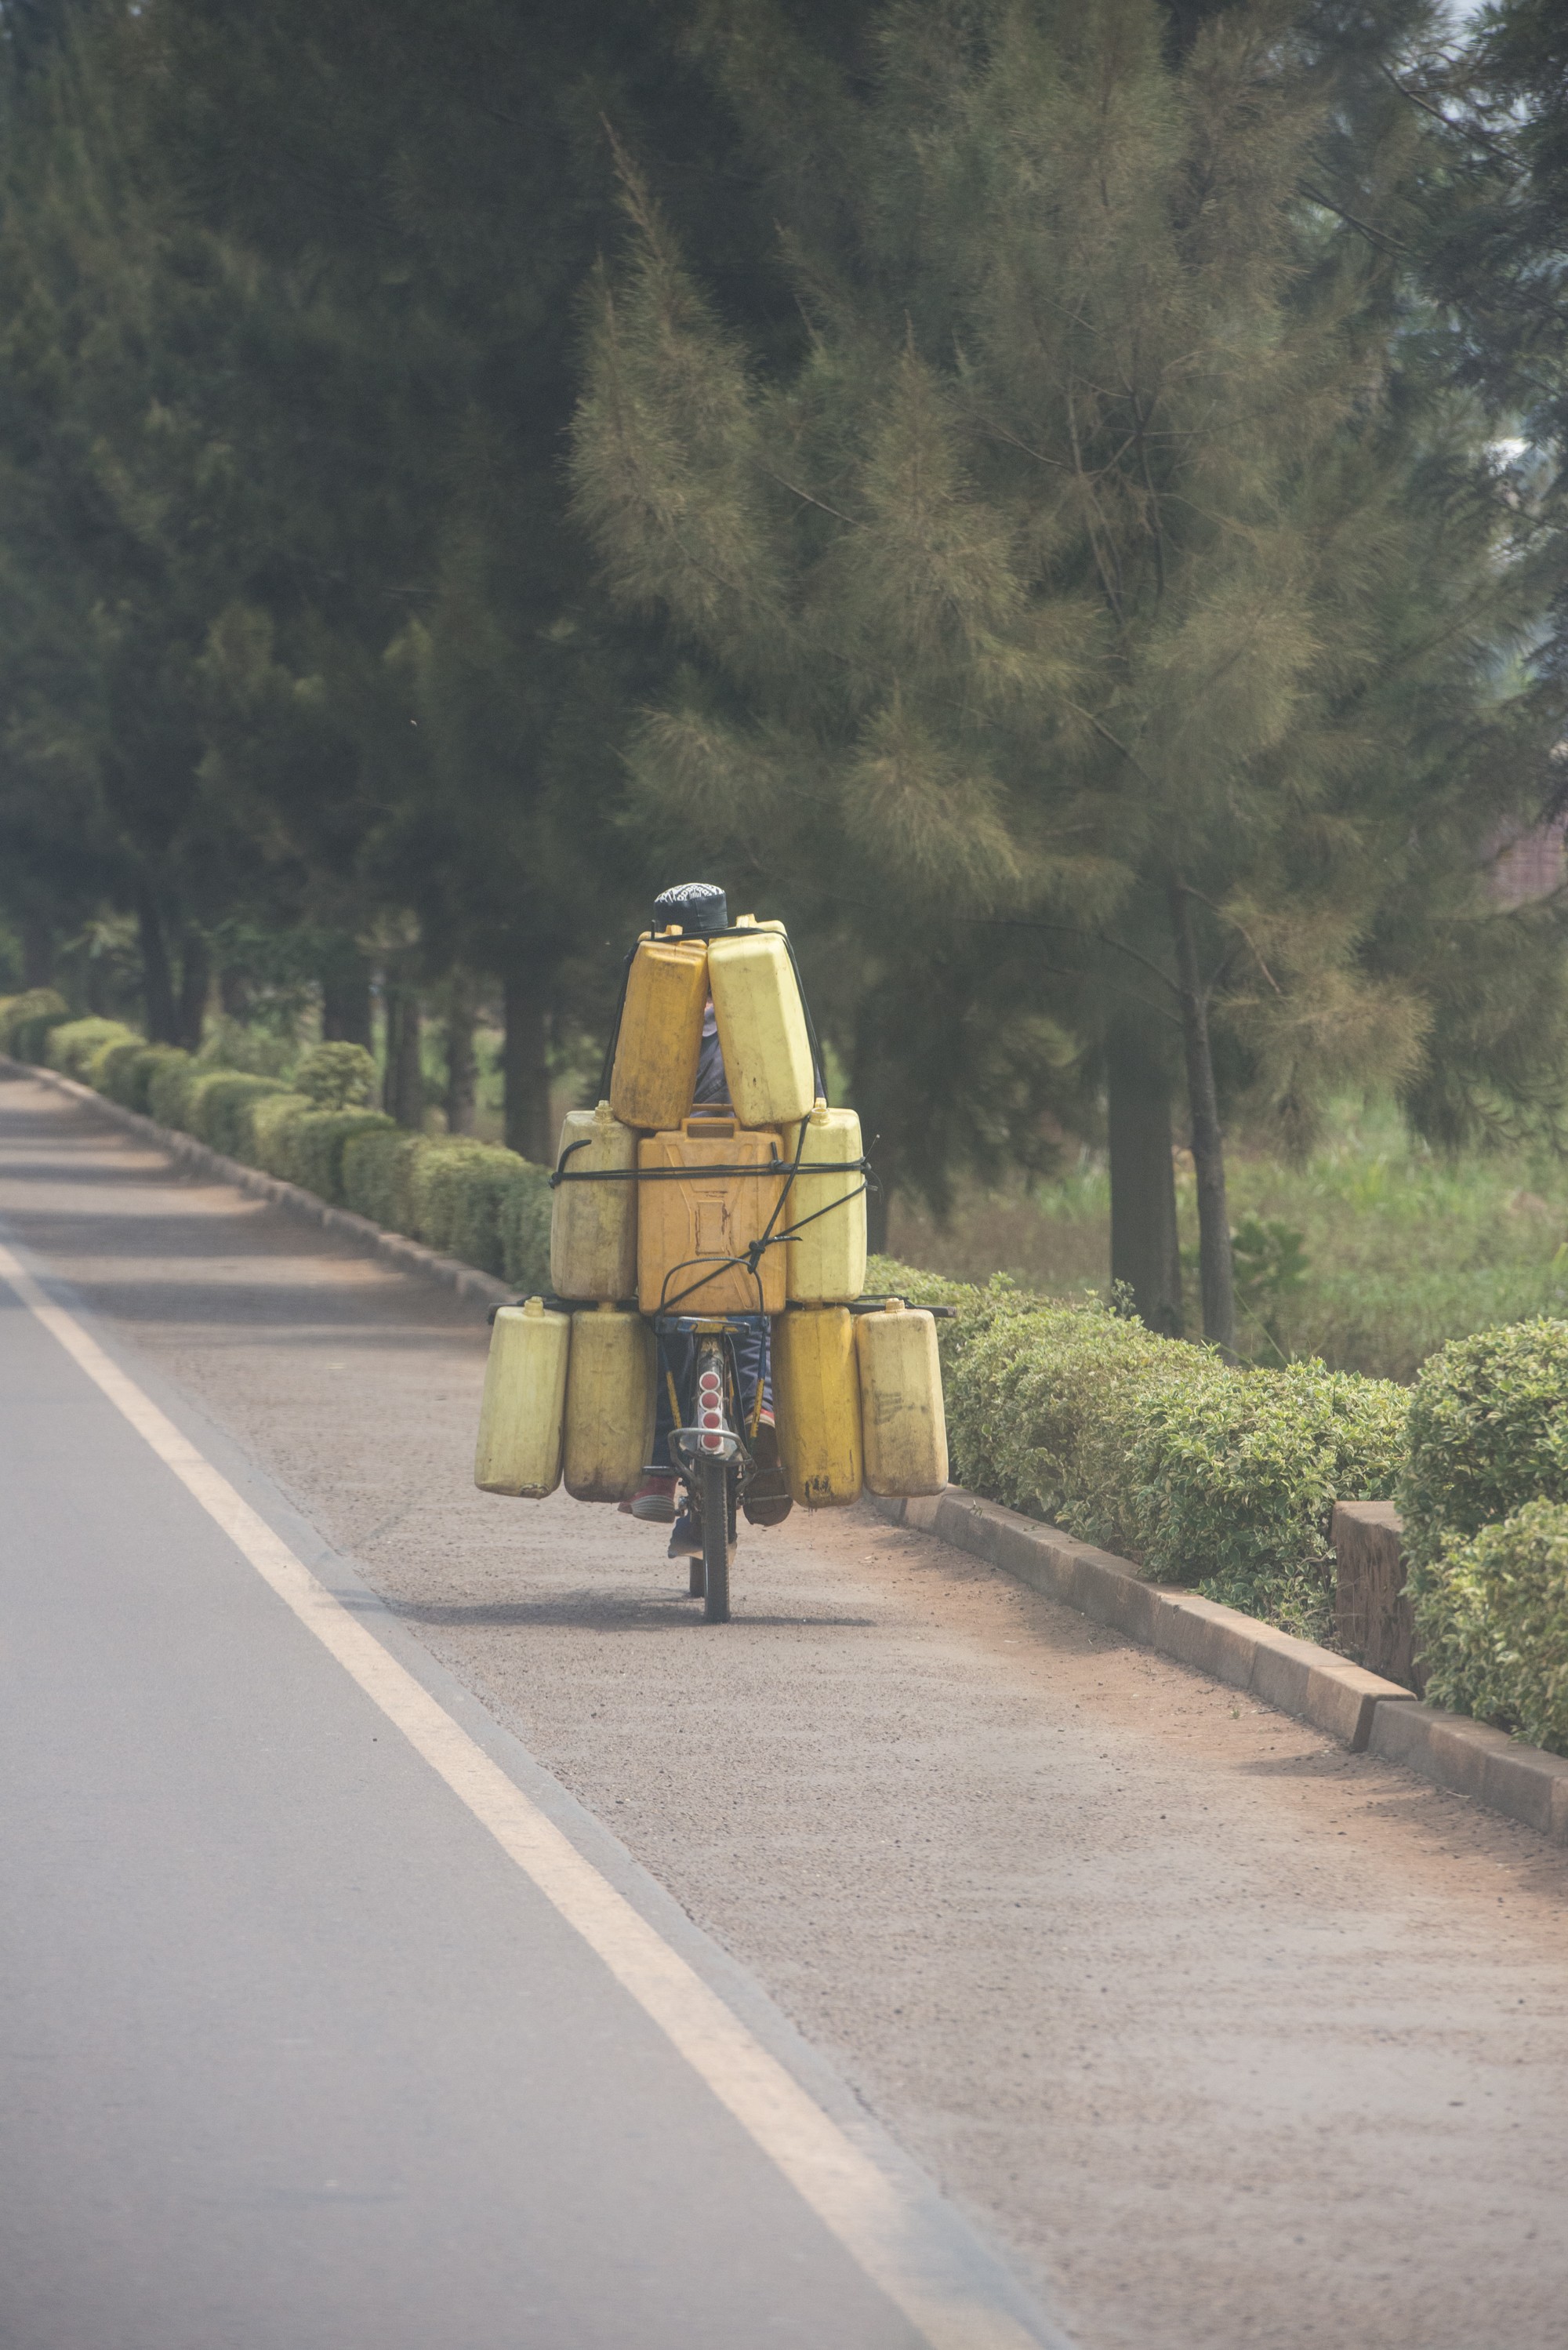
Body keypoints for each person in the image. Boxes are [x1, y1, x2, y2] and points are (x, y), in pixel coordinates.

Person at [619, 882, 793, 1553]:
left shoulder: (653, 1020)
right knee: (753, 1306)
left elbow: (629, 1114)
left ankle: (662, 1470)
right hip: (749, 1189)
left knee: (664, 1316)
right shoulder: (757, 1009)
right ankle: (763, 1406)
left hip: (671, 1201)